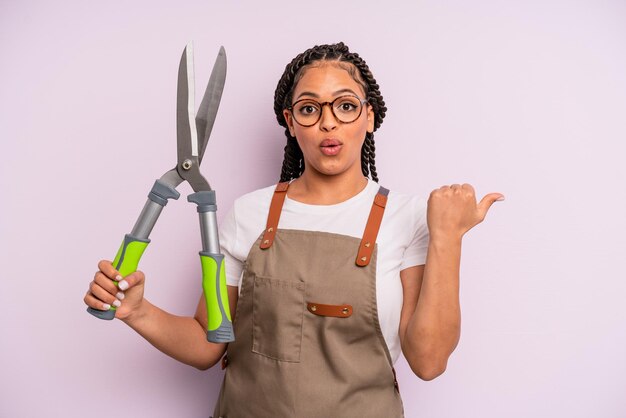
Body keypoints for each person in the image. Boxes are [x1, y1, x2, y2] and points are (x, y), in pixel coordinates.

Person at [84, 42, 504, 417]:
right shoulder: (250, 212)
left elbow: (428, 362)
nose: (328, 123)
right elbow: (207, 345)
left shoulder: (407, 216)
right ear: (290, 120)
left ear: (369, 117)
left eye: (345, 105)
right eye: (309, 108)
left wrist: (448, 237)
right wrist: (136, 311)